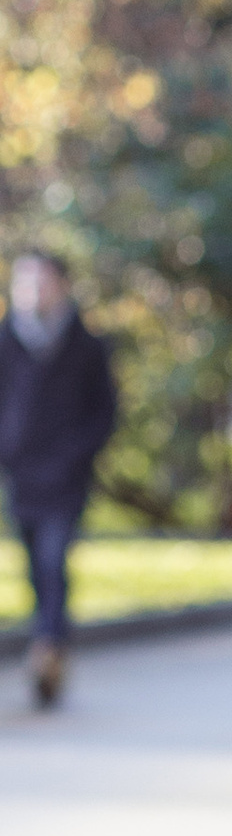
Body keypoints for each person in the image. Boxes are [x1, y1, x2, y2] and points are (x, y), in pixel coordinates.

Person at [0, 249, 118, 712]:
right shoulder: (7, 340)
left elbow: (103, 411)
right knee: (34, 563)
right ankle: (50, 640)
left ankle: (49, 645)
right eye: (23, 281)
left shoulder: (85, 344)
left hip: (67, 475)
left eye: (41, 280)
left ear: (61, 285)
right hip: (21, 472)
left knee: (54, 557)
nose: (32, 290)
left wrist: (78, 453)